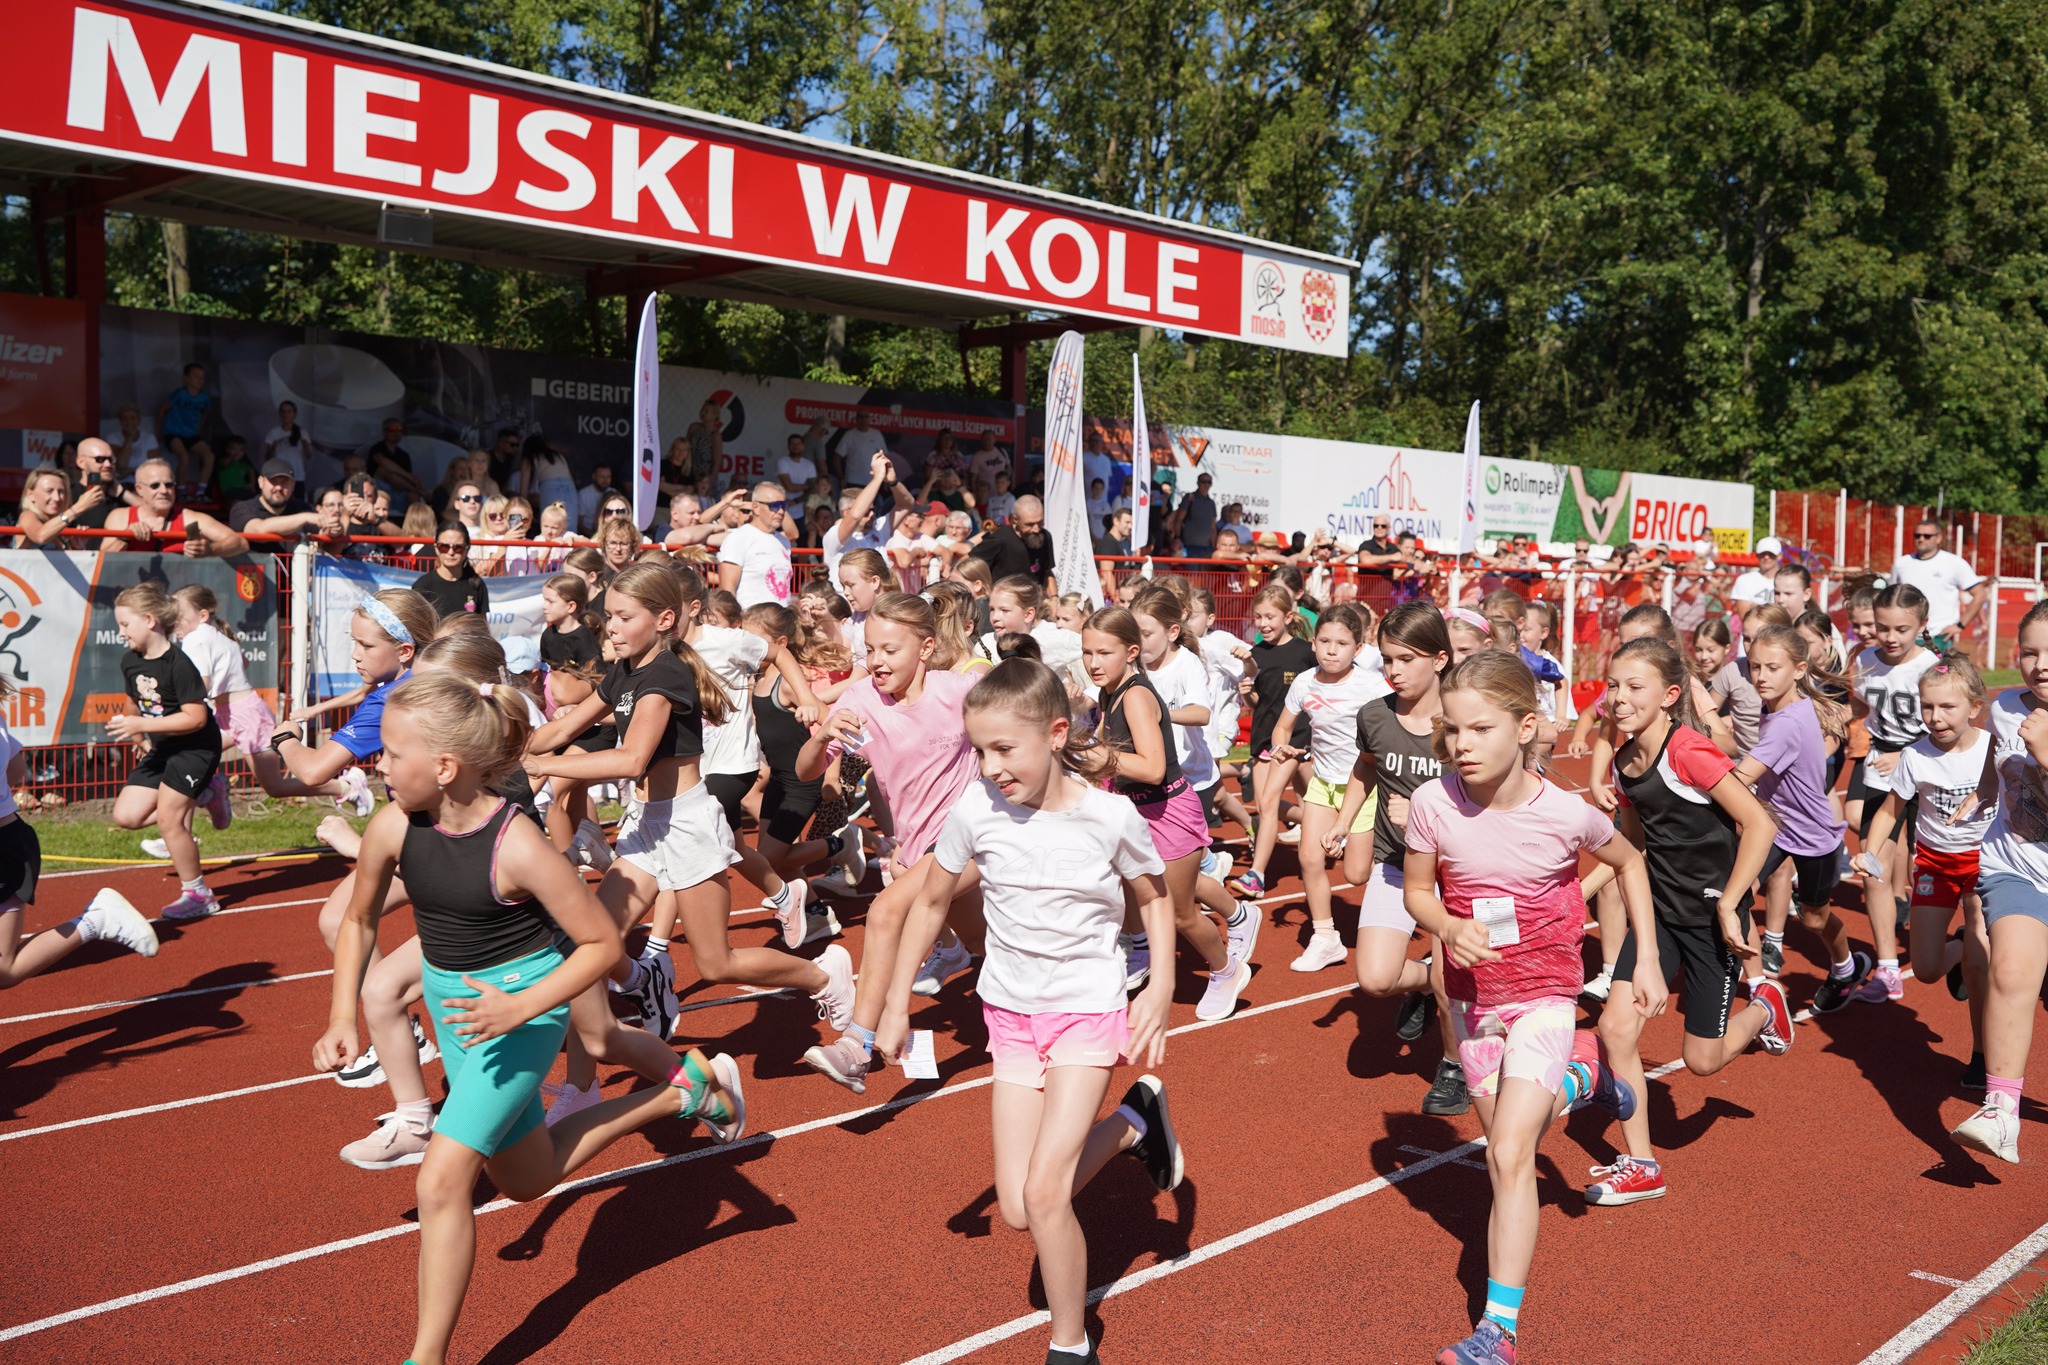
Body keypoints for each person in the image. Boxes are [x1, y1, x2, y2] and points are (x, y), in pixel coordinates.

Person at [313, 669, 743, 1365]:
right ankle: (676, 1091)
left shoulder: (516, 845)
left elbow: (601, 943)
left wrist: (520, 1004)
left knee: (441, 1178)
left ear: (445, 766)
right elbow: (360, 919)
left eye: (392, 753)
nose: (378, 765)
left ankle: (425, 1358)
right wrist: (342, 1015)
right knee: (525, 1178)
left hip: (523, 1007)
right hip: (459, 1010)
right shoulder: (393, 826)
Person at [874, 657, 1179, 1365]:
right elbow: (929, 900)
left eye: (1004, 749)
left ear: (1056, 732)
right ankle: (1136, 1122)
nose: (990, 766)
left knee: (1045, 1194)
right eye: (978, 750)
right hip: (1010, 1015)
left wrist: (1159, 985)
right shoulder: (977, 808)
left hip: (1086, 1010)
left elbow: (1157, 898)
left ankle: (1070, 1343)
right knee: (1016, 1208)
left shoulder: (1110, 815)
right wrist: (892, 1003)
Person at [1402, 651, 1662, 1365]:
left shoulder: (1566, 814)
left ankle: (1498, 1331)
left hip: (1546, 995)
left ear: (1525, 727)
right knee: (1504, 1152)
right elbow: (1417, 891)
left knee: (1513, 1151)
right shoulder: (1433, 804)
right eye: (1451, 730)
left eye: (1479, 729)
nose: (1461, 745)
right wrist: (1448, 927)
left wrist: (1643, 959)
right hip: (1470, 1002)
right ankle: (1586, 1078)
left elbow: (1630, 859)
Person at [523, 563, 854, 1114]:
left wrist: (544, 762)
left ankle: (823, 977)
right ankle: (582, 1086)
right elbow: (563, 727)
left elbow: (632, 759)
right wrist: (511, 756)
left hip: (689, 824)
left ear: (664, 620)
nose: (612, 628)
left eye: (624, 618)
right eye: (609, 617)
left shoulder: (666, 677)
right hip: (647, 828)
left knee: (717, 964)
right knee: (589, 947)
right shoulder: (625, 670)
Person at [1584, 637, 1789, 1207]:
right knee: (1616, 1030)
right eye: (1614, 686)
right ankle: (1641, 1164)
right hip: (1659, 917)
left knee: (1702, 1061)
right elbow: (1633, 846)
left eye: (1634, 687)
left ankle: (1765, 1008)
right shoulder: (1626, 763)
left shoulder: (1689, 751)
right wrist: (1581, 891)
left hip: (1708, 923)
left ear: (1670, 696)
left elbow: (1760, 825)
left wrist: (1729, 902)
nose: (1619, 699)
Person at [795, 592, 986, 1093]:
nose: (877, 662)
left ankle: (856, 1044)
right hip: (917, 844)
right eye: (871, 650)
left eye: (890, 650)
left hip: (976, 835)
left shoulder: (961, 690)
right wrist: (820, 737)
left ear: (925, 648)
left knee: (885, 911)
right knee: (984, 942)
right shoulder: (859, 701)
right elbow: (808, 772)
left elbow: (1023, 708)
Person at [1330, 600, 1468, 1113]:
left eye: (1406, 658)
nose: (1394, 670)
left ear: (1439, 658)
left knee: (1453, 978)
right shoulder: (1375, 715)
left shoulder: (1462, 718)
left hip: (1458, 871)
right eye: (1387, 659)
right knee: (1376, 979)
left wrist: (1427, 811)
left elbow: (1490, 796)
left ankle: (1453, 1065)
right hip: (1397, 861)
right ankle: (1426, 985)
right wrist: (1343, 821)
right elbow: (1365, 769)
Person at [1084, 606, 1251, 1023]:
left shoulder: (1137, 696)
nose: (1092, 663)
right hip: (1135, 811)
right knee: (1138, 893)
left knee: (1179, 913)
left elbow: (1153, 768)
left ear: (1131, 651)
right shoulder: (1111, 691)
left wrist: (1098, 756)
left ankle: (1226, 970)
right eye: (1087, 652)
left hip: (1166, 812)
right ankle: (1232, 917)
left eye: (1103, 653)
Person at [1858, 654, 1993, 1090]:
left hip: (1984, 864)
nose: (1935, 718)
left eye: (1947, 707)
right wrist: (1870, 851)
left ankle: (1982, 1055)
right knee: (1929, 968)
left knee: (1981, 964)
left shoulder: (1993, 749)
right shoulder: (1914, 756)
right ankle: (1954, 950)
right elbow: (1889, 811)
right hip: (1934, 863)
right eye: (1928, 707)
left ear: (1974, 706)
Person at [1951, 599, 2048, 1163]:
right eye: (2030, 651)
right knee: (2009, 970)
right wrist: (1982, 795)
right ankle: (2001, 1112)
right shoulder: (2008, 706)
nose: (2039, 664)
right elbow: (1997, 766)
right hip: (2013, 866)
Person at [1734, 623, 1864, 1011]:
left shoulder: (1787, 722)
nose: (1760, 677)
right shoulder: (1784, 706)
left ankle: (1846, 966)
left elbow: (1740, 780)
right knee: (1735, 897)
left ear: (1800, 669)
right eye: (1755, 667)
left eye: (1772, 668)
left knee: (1813, 920)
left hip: (1814, 836)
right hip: (1774, 828)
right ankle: (1759, 986)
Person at [0, 675, 161, 985]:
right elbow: (16, 771)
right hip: (12, 840)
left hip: (6, 852)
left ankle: (95, 920)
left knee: (4, 970)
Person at [1272, 604, 1390, 970]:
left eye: (1342, 643)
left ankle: (1403, 889)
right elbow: (1283, 727)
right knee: (1308, 856)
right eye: (1324, 640)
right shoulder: (1305, 683)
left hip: (1363, 783)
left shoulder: (1372, 685)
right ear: (1313, 643)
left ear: (1358, 649)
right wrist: (1282, 746)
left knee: (1356, 874)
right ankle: (1325, 937)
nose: (1331, 650)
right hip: (1323, 782)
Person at [107, 582, 228, 920]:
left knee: (169, 820)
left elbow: (195, 717)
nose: (120, 633)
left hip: (195, 747)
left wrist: (144, 727)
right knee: (126, 816)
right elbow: (133, 704)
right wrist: (139, 737)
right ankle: (205, 795)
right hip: (162, 747)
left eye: (124, 624)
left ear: (149, 620)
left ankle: (199, 894)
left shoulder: (179, 663)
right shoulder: (130, 662)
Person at [1843, 581, 1936, 996]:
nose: (1891, 637)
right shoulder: (1864, 660)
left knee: (1930, 866)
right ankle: (1886, 968)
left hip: (1930, 769)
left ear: (1921, 625)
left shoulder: (1931, 667)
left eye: (1901, 629)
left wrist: (1908, 755)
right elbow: (1862, 705)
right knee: (1871, 867)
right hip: (1881, 769)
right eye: (1883, 628)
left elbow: (1948, 727)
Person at [1226, 583, 1315, 900]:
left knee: (1269, 803)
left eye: (1270, 616)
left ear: (1289, 616)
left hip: (1295, 739)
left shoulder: (1306, 652)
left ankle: (1257, 874)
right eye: (1258, 617)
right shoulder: (1256, 654)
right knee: (1267, 806)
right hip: (1264, 737)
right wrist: (1248, 694)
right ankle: (1325, 822)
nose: (1263, 623)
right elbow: (1261, 703)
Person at [104, 459, 249, 556]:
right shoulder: (120, 517)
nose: (163, 491)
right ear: (139, 489)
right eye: (155, 486)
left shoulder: (190, 519)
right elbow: (101, 560)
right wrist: (124, 538)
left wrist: (210, 549)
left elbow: (240, 543)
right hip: (132, 596)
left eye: (169, 485)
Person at [1890, 518, 1985, 652]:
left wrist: (1960, 625)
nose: (1921, 539)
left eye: (1927, 536)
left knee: (1938, 673)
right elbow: (1891, 598)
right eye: (1917, 535)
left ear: (1939, 538)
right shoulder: (1901, 564)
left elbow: (1980, 594)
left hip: (1940, 637)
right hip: (1906, 635)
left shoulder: (1954, 563)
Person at [718, 480, 797, 608]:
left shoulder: (784, 542)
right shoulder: (738, 538)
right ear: (755, 508)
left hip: (782, 623)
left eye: (784, 505)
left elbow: (794, 533)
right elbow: (727, 591)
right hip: (750, 623)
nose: (781, 511)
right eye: (775, 505)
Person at [984, 576, 1083, 674]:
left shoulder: (1050, 637)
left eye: (1004, 610)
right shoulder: (986, 643)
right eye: (992, 609)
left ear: (1028, 615)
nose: (995, 617)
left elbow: (1091, 645)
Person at [972, 495, 1058, 590]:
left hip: (1034, 600)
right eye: (1030, 524)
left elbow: (1047, 572)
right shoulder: (999, 539)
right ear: (1015, 519)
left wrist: (1054, 598)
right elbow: (969, 565)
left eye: (1040, 522)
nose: (1036, 529)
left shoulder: (1044, 536)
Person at [156, 361, 216, 490]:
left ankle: (201, 490)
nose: (200, 380)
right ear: (186, 378)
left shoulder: (204, 397)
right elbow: (162, 410)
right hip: (174, 433)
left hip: (192, 434)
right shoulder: (179, 394)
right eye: (196, 377)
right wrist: (158, 432)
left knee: (209, 457)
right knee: (184, 458)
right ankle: (181, 490)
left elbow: (205, 412)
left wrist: (199, 428)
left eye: (202, 377)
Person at [413, 522, 491, 619]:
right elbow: (417, 626)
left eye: (458, 548)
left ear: (467, 549)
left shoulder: (477, 584)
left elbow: (482, 626)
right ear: (436, 548)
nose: (451, 552)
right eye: (444, 547)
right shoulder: (422, 586)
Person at [228, 460, 323, 539]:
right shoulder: (242, 509)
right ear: (261, 482)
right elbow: (257, 531)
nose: (278, 488)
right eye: (273, 481)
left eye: (284, 482)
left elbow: (327, 545)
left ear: (293, 484)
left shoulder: (304, 508)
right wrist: (304, 518)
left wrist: (332, 528)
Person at [12, 466, 85, 548]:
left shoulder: (58, 526)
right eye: (49, 491)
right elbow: (40, 536)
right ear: (30, 494)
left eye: (61, 491)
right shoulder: (27, 515)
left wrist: (78, 545)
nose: (56, 498)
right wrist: (76, 509)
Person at [65, 436, 127, 530]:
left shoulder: (122, 496)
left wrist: (123, 493)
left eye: (111, 460)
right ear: (81, 462)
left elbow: (152, 514)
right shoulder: (68, 496)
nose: (108, 465)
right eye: (100, 459)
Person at [364, 417, 426, 501]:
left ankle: (416, 512)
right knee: (383, 470)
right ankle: (420, 492)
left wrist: (412, 480)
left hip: (399, 492)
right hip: (379, 492)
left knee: (413, 495)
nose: (396, 433)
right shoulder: (377, 448)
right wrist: (409, 477)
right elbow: (383, 462)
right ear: (384, 432)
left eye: (400, 430)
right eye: (392, 429)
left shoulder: (404, 455)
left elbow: (409, 479)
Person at [1728, 536, 1783, 616]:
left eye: (1771, 554)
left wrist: (1756, 607)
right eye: (1762, 554)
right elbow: (1745, 616)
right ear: (1757, 555)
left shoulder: (1788, 581)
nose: (1766, 557)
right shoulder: (1744, 580)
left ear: (1779, 556)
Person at [260, 400, 308, 481]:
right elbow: (267, 456)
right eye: (283, 411)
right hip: (280, 474)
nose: (286, 414)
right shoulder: (274, 432)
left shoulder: (302, 431)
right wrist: (272, 448)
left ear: (294, 414)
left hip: (297, 475)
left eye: (289, 411)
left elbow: (309, 456)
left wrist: (305, 446)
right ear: (280, 414)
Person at [106, 401, 161, 473]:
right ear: (120, 421)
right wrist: (129, 439)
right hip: (122, 482)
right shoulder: (112, 438)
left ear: (139, 421)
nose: (129, 422)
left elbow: (156, 466)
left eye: (133, 418)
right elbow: (121, 465)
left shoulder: (149, 438)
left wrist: (132, 471)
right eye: (124, 418)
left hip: (144, 480)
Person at [685, 399, 727, 488]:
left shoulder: (715, 435)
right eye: (702, 410)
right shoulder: (694, 427)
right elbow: (685, 447)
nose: (703, 413)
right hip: (690, 471)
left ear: (715, 415)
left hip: (705, 475)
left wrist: (709, 481)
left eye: (706, 411)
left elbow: (717, 462)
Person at [1178, 472, 1218, 559]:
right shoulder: (1189, 497)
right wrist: (1176, 538)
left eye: (1209, 482)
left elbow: (1213, 526)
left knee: (1205, 572)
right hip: (1189, 547)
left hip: (1207, 548)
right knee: (1192, 572)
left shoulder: (1211, 503)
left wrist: (1213, 545)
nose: (1206, 484)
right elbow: (1179, 519)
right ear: (1198, 483)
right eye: (1203, 481)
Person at [576, 464, 617, 535]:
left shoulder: (615, 493)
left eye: (608, 477)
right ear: (594, 476)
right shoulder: (583, 494)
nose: (605, 480)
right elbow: (580, 524)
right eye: (602, 477)